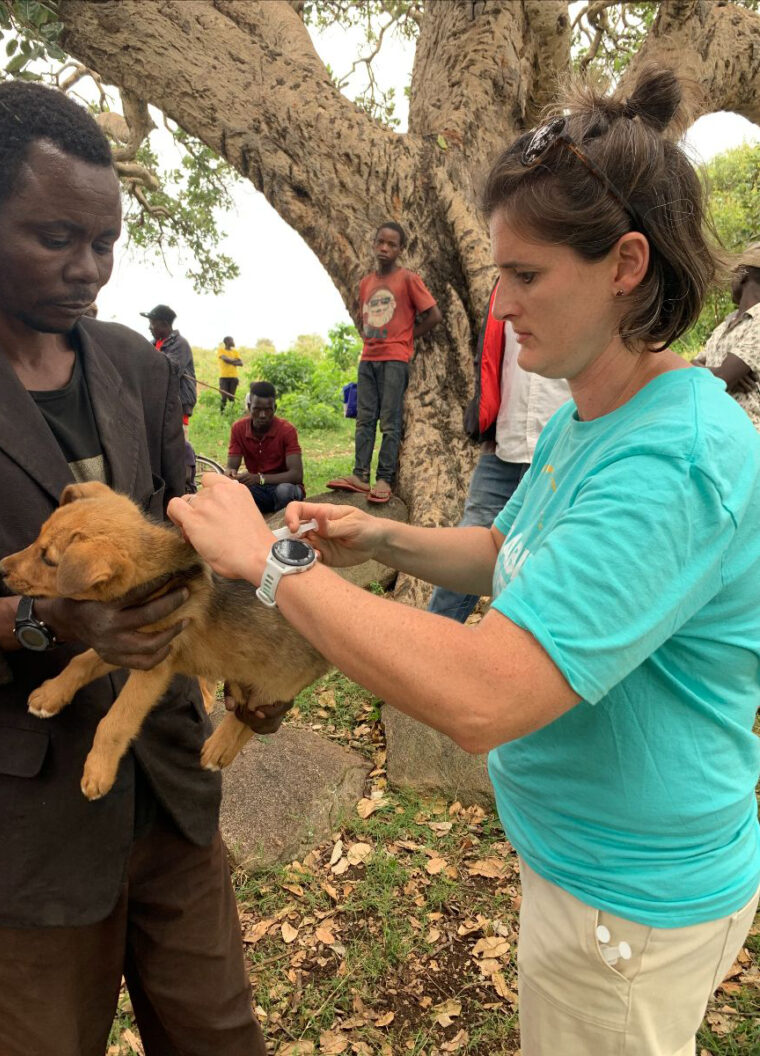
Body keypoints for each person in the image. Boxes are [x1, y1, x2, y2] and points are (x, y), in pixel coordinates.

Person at [169, 67, 760, 1056]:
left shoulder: (676, 458)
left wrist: (270, 559)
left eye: (525, 277)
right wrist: (385, 539)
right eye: (500, 280)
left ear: (625, 263)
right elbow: (509, 550)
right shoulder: (598, 413)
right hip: (582, 868)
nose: (504, 307)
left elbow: (488, 693)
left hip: (628, 905)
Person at [0, 81, 266, 1055]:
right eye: (57, 238)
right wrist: (41, 622)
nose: (89, 269)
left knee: (220, 1036)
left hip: (173, 793)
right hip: (28, 831)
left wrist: (275, 618)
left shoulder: (130, 362)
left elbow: (197, 522)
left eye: (105, 243)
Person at [429, 291, 568, 621]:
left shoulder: (574, 278)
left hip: (560, 445)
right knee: (466, 549)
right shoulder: (504, 290)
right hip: (505, 444)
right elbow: (493, 359)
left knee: (544, 562)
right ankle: (434, 641)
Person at [326, 221, 442, 503]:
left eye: (391, 244)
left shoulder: (408, 280)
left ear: (401, 249)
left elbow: (434, 315)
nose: (384, 248)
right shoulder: (366, 283)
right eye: (381, 242)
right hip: (368, 359)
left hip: (395, 360)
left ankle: (384, 479)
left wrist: (406, 338)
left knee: (389, 422)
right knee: (364, 419)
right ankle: (360, 475)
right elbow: (364, 317)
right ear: (374, 243)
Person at [699, 242, 760, 430]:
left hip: (747, 436)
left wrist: (719, 374)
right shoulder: (725, 325)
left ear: (741, 275)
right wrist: (718, 371)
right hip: (716, 431)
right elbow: (688, 367)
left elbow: (721, 378)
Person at [226, 381, 305, 513]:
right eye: (257, 409)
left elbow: (296, 475)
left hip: (284, 487)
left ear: (275, 408)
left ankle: (283, 522)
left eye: (267, 410)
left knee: (284, 491)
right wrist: (230, 473)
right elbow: (231, 467)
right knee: (233, 491)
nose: (262, 415)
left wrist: (260, 478)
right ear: (249, 407)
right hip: (258, 490)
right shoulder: (238, 429)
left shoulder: (287, 430)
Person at [140, 303, 197, 429]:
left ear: (164, 324)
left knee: (177, 445)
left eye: (153, 323)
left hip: (176, 406)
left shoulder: (180, 344)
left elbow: (169, 370)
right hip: (159, 405)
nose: (150, 327)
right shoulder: (152, 345)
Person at [217, 334, 243, 413]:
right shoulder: (221, 350)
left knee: (231, 398)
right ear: (227, 342)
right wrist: (235, 361)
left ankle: (231, 413)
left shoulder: (235, 351)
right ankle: (222, 413)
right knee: (224, 397)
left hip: (234, 378)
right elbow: (225, 359)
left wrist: (230, 360)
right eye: (232, 340)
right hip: (224, 377)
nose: (233, 342)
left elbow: (241, 363)